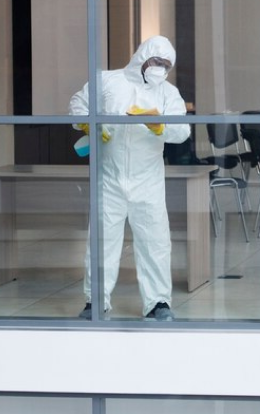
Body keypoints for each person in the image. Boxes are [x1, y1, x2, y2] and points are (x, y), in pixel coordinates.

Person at [69, 36, 190, 321]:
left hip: (147, 180)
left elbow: (183, 130)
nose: (160, 68)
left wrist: (160, 126)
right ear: (142, 57)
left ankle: (158, 302)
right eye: (157, 61)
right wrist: (88, 123)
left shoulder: (168, 93)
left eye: (166, 65)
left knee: (154, 242)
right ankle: (96, 301)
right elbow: (77, 104)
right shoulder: (107, 81)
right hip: (109, 178)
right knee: (102, 241)